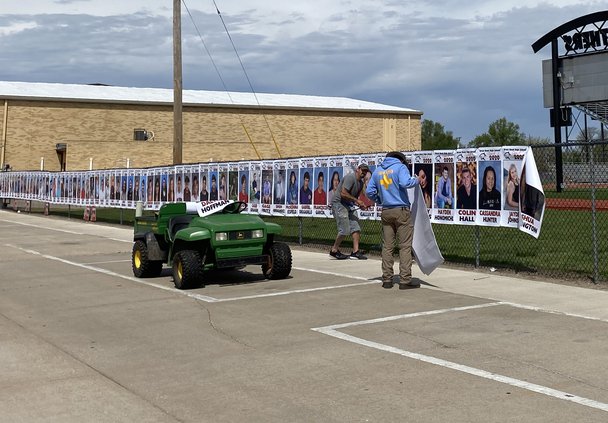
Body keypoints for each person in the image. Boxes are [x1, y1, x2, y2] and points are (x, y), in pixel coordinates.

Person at [366, 151, 420, 289]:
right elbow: (405, 182)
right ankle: (404, 280)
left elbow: (369, 192)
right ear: (400, 160)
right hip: (401, 210)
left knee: (387, 246)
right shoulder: (400, 167)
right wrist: (417, 179)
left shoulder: (378, 171)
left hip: (386, 210)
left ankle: (387, 279)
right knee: (404, 246)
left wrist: (379, 200)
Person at [329, 164, 370, 260]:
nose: (363, 173)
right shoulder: (350, 178)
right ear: (358, 169)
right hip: (339, 203)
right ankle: (334, 250)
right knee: (344, 229)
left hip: (348, 204)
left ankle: (355, 252)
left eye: (365, 171)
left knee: (356, 227)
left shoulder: (360, 183)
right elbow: (343, 194)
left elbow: (352, 198)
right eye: (362, 170)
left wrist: (360, 205)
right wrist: (357, 201)